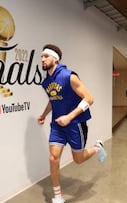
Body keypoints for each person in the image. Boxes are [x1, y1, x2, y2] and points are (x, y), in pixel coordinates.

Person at [37, 44, 107, 203]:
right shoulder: (46, 82)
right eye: (41, 57)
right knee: (53, 158)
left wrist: (69, 116)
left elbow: (89, 98)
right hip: (57, 126)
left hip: (75, 124)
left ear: (55, 58)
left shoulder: (69, 76)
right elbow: (52, 100)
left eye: (45, 56)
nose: (42, 59)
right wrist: (43, 115)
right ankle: (58, 196)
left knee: (78, 159)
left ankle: (97, 147)